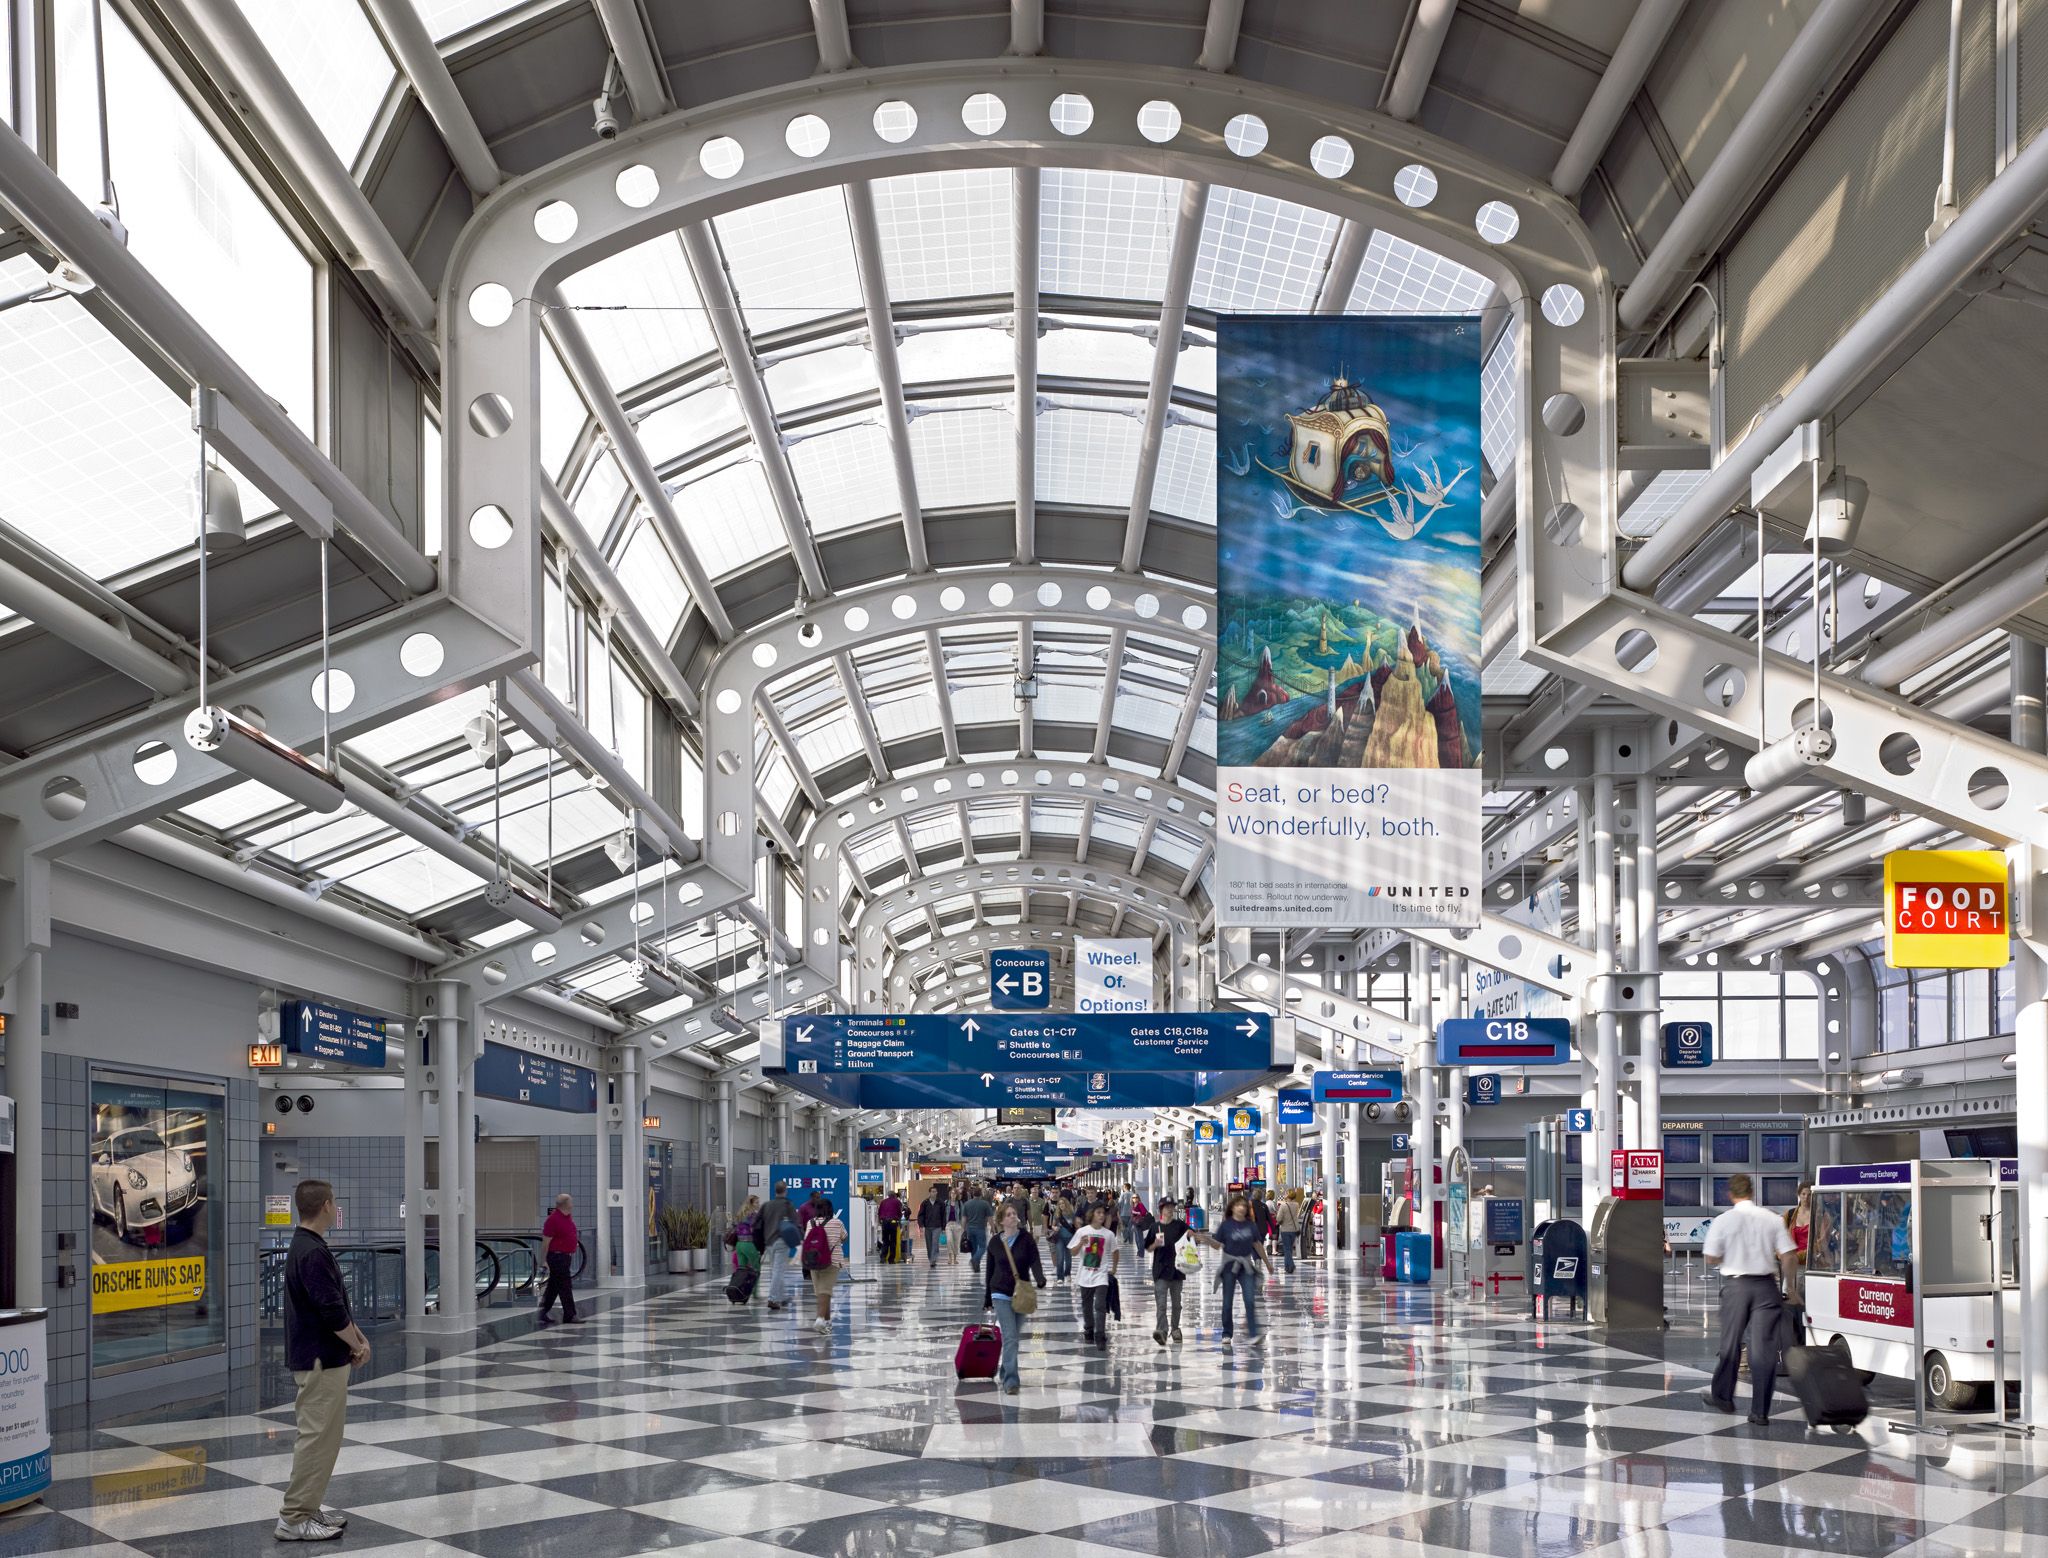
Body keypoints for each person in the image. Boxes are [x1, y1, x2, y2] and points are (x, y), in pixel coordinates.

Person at [277, 1179, 369, 1542]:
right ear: (327, 1205)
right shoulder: (311, 1251)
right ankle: (294, 1518)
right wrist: (357, 1344)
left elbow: (335, 1304)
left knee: (324, 1439)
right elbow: (330, 1311)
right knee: (316, 1439)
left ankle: (308, 1506)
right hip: (319, 1359)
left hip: (324, 1356)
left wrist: (357, 1338)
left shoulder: (307, 1246)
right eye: (334, 1202)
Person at [1703, 1172, 1798, 1425]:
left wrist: (1731, 1256)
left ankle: (1723, 1396)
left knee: (1730, 1343)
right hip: (1766, 1287)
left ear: (1730, 1194)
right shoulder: (1771, 1219)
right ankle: (1760, 1412)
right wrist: (1791, 1288)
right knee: (1763, 1350)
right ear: (1752, 1192)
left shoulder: (1723, 1221)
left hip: (1737, 1287)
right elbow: (1789, 1256)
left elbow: (1711, 1257)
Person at [983, 1203, 1044, 1394]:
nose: (1012, 1217)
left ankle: (1004, 1370)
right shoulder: (994, 1242)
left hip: (1021, 1294)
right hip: (999, 1292)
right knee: (1009, 1337)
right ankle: (1011, 1381)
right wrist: (987, 1298)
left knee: (1013, 1338)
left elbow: (1035, 1259)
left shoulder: (1026, 1239)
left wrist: (1040, 1277)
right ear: (1001, 1220)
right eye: (1008, 1215)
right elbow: (989, 1270)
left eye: (1014, 1214)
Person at [1199, 1194, 1271, 1345]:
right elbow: (1217, 1245)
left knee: (1250, 1300)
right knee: (1227, 1302)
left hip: (1246, 1266)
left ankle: (1253, 1333)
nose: (1242, 1208)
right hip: (1229, 1266)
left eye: (1244, 1206)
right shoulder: (1226, 1226)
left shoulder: (1250, 1225)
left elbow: (1257, 1244)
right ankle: (1227, 1333)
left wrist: (1267, 1263)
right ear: (1232, 1207)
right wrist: (1205, 1239)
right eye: (1239, 1205)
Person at [1069, 1203, 1119, 1350]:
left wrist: (1114, 1269)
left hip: (1101, 1275)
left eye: (1103, 1213)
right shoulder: (1082, 1231)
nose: (1102, 1215)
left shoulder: (1108, 1234)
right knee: (1086, 1305)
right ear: (1092, 1215)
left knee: (1100, 1305)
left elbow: (1115, 1251)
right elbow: (1072, 1252)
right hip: (1084, 1274)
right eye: (1098, 1212)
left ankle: (1100, 1334)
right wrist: (1080, 1244)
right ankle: (1089, 1329)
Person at [1144, 1197, 1191, 1344]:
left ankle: (1175, 1329)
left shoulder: (1180, 1225)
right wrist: (1155, 1245)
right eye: (1167, 1207)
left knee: (1177, 1304)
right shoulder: (1154, 1227)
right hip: (1160, 1270)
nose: (1170, 1210)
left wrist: (1197, 1237)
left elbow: (1192, 1235)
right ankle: (1162, 1331)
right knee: (1161, 1303)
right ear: (1161, 1210)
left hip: (1177, 1270)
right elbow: (1147, 1248)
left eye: (1172, 1207)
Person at [804, 1194, 848, 1334]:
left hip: (813, 1260)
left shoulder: (810, 1223)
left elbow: (806, 1240)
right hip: (832, 1261)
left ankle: (827, 1323)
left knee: (822, 1293)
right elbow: (844, 1237)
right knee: (825, 1291)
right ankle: (820, 1319)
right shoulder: (837, 1222)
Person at [535, 1191, 580, 1325]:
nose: (572, 1205)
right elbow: (546, 1241)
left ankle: (543, 1311)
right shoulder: (553, 1220)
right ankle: (570, 1315)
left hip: (565, 1256)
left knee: (554, 1286)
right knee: (565, 1285)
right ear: (565, 1204)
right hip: (557, 1257)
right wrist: (543, 1260)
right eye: (571, 1202)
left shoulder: (568, 1218)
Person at [760, 1181, 798, 1311]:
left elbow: (758, 1222)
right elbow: (796, 1221)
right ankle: (773, 1298)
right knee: (778, 1270)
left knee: (775, 1270)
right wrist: (801, 1237)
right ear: (785, 1190)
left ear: (775, 1191)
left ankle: (781, 1297)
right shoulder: (787, 1205)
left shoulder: (767, 1205)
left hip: (769, 1241)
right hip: (782, 1240)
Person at [960, 1184, 993, 1274]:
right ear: (981, 1194)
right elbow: (990, 1217)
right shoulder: (985, 1204)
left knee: (973, 1248)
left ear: (973, 1194)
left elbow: (964, 1218)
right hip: (980, 1228)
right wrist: (993, 1228)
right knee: (983, 1247)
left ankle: (976, 1266)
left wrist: (963, 1230)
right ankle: (974, 1260)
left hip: (970, 1229)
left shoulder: (967, 1204)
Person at [1275, 1189, 1305, 1274]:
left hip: (1285, 1229)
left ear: (1288, 1195)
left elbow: (1279, 1218)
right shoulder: (1296, 1205)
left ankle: (1290, 1265)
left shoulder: (1283, 1206)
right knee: (1290, 1248)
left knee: (1287, 1249)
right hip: (1294, 1229)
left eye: (1285, 1193)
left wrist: (1279, 1220)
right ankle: (1287, 1266)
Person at [917, 1186, 948, 1265]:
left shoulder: (940, 1203)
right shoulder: (925, 1203)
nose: (934, 1193)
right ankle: (930, 1258)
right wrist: (921, 1225)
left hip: (937, 1226)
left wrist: (943, 1227)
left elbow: (943, 1215)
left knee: (935, 1242)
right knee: (929, 1244)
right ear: (929, 1193)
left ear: (937, 1192)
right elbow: (921, 1215)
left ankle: (933, 1259)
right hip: (927, 1226)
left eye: (935, 1191)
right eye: (932, 1191)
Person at [1052, 1196, 1076, 1283]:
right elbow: (1053, 1225)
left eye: (1063, 1203)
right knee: (1060, 1258)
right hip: (1060, 1239)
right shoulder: (1057, 1215)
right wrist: (1054, 1228)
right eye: (1060, 1204)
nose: (1061, 1205)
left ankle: (1067, 1274)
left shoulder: (1072, 1214)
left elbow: (1075, 1226)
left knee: (1068, 1259)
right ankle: (1060, 1277)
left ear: (1066, 1204)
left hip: (1070, 1239)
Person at [878, 1188, 905, 1263]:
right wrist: (899, 1220)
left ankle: (883, 1257)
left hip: (885, 1222)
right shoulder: (897, 1202)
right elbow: (900, 1212)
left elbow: (879, 1213)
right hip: (893, 1222)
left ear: (888, 1195)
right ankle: (891, 1259)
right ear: (894, 1195)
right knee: (893, 1241)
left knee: (885, 1240)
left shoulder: (883, 1202)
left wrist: (880, 1221)